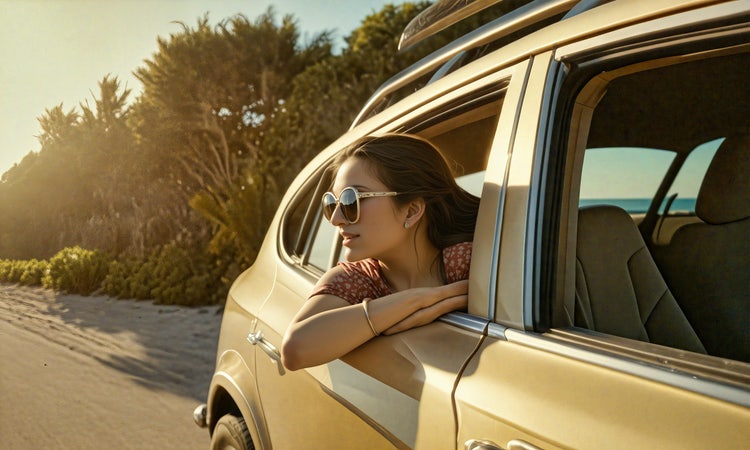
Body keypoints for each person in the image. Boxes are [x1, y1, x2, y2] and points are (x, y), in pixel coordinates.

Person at [281, 134, 480, 371]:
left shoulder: (469, 260)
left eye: (351, 200)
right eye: (332, 203)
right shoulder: (357, 279)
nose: (336, 219)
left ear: (411, 211)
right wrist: (419, 300)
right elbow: (295, 350)